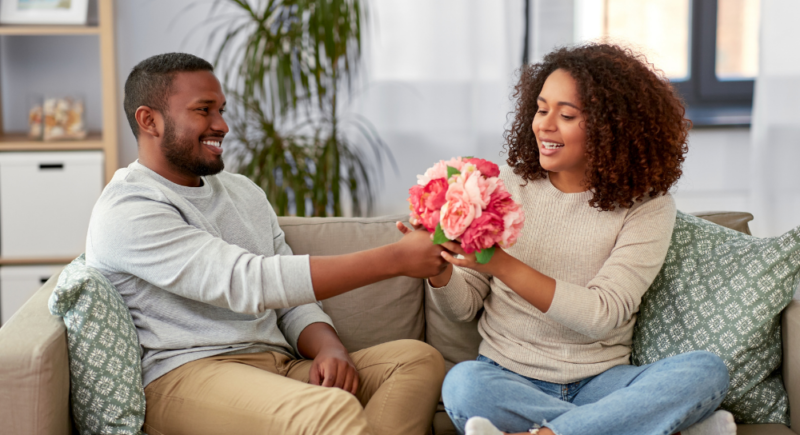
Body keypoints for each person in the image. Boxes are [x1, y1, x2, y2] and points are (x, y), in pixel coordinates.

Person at [86, 52, 447, 435]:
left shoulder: (243, 193)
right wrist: (394, 259)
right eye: (203, 110)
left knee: (416, 360)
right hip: (187, 374)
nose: (221, 125)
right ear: (149, 120)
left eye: (221, 109)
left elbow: (291, 301)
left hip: (278, 364)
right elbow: (250, 282)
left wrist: (329, 347)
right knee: (330, 411)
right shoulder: (128, 208)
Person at [420, 44, 736, 435]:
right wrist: (437, 269)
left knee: (706, 371)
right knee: (463, 384)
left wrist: (500, 263)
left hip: (602, 385)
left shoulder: (647, 206)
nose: (545, 125)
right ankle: (644, 428)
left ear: (611, 127)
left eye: (566, 114)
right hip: (508, 378)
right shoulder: (503, 184)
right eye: (541, 108)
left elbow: (601, 316)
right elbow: (464, 308)